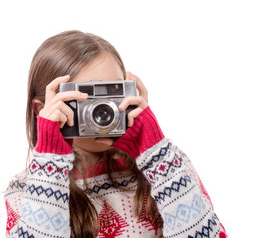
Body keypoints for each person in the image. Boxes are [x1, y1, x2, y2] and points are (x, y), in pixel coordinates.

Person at [4, 30, 228, 238]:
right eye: (83, 96)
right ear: (42, 109)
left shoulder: (168, 165)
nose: (102, 109)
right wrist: (50, 163)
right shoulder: (25, 189)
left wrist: (156, 152)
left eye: (112, 91)